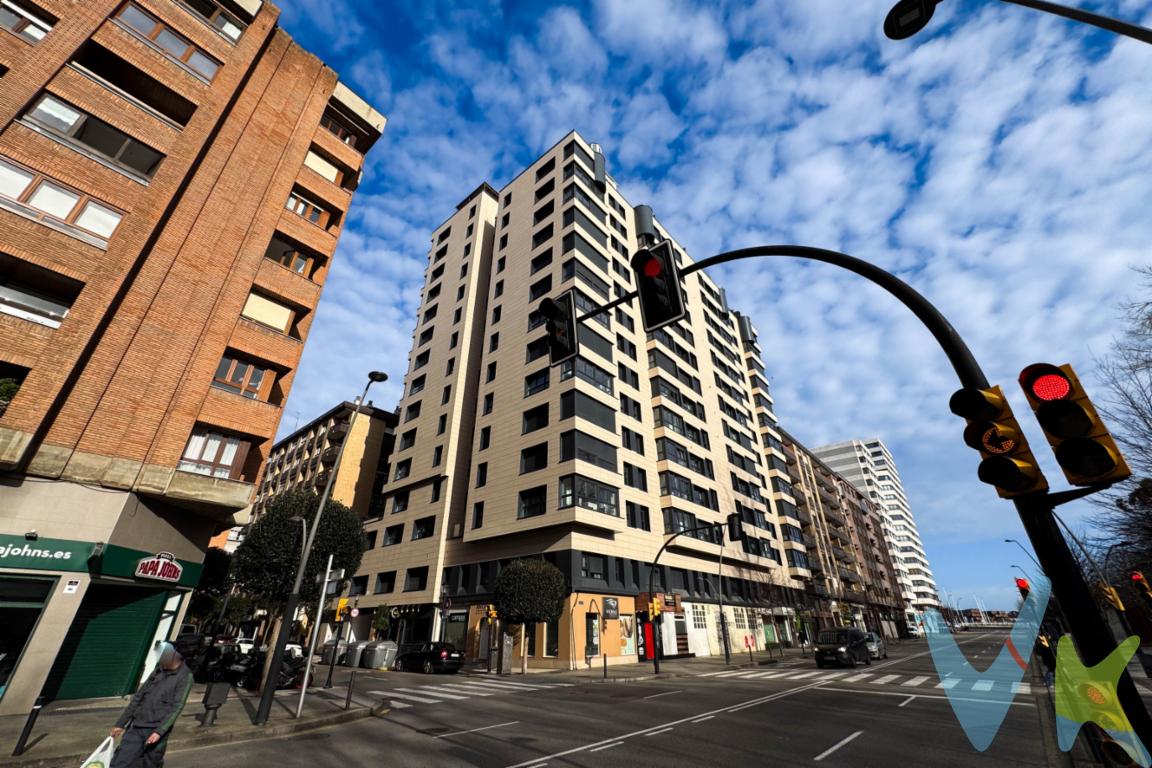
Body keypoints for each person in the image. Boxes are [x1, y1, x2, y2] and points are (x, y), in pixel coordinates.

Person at [110, 642, 193, 767]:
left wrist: (159, 731)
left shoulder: (185, 676)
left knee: (151, 763)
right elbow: (138, 698)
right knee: (120, 762)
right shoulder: (158, 671)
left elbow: (177, 706)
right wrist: (121, 723)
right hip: (137, 725)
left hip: (156, 729)